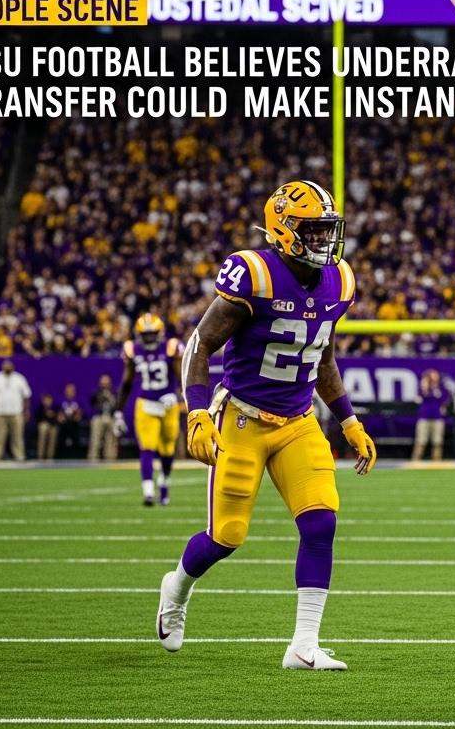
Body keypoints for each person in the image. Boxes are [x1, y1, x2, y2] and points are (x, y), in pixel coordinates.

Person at [155, 179, 376, 671]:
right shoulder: (253, 274)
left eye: (326, 231)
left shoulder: (340, 279)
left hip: (299, 421)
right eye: (312, 231)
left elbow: (323, 359)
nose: (323, 241)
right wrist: (195, 411)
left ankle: (303, 644)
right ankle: (177, 587)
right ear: (282, 230)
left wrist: (349, 420)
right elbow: (200, 344)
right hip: (242, 418)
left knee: (321, 522)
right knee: (226, 537)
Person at [117, 313, 183, 506]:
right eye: (145, 334)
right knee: (147, 447)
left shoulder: (171, 347)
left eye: (152, 333)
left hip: (168, 404)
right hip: (145, 404)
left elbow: (181, 377)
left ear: (159, 332)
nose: (149, 338)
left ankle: (164, 481)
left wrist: (177, 395)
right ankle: (148, 491)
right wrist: (118, 411)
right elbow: (127, 382)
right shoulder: (132, 350)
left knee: (168, 449)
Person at [0, 359, 31, 462]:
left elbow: (26, 396)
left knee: (17, 436)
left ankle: (19, 455)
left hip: (16, 412)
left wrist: (26, 411)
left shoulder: (19, 378)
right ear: (2, 366)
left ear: (13, 367)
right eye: (6, 365)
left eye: (9, 365)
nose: (7, 367)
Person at [411, 369, 446, 462]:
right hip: (424, 417)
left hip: (437, 417)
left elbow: (444, 399)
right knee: (421, 440)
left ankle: (437, 460)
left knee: (437, 441)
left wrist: (435, 389)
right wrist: (425, 388)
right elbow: (418, 399)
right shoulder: (423, 387)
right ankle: (416, 460)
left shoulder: (441, 387)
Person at [88, 375, 119, 461]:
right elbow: (91, 403)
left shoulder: (114, 392)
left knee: (111, 439)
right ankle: (93, 457)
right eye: (103, 382)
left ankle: (110, 458)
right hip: (99, 416)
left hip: (110, 417)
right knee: (95, 437)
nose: (105, 384)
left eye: (107, 382)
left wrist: (110, 397)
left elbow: (117, 405)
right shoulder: (96, 392)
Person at [59, 383, 84, 458]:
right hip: (63, 427)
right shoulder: (60, 402)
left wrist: (78, 415)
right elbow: (58, 414)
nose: (70, 393)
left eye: (72, 391)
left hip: (75, 426)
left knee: (75, 431)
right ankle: (60, 456)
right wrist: (60, 417)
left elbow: (81, 414)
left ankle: (77, 457)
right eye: (68, 391)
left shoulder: (80, 402)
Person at [35, 394, 59, 460]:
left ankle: (50, 456)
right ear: (43, 401)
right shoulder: (40, 408)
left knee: (54, 431)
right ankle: (40, 455)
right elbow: (38, 420)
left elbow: (57, 420)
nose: (47, 401)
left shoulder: (55, 408)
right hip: (43, 426)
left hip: (52, 426)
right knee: (43, 428)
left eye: (49, 400)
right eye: (46, 400)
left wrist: (52, 415)